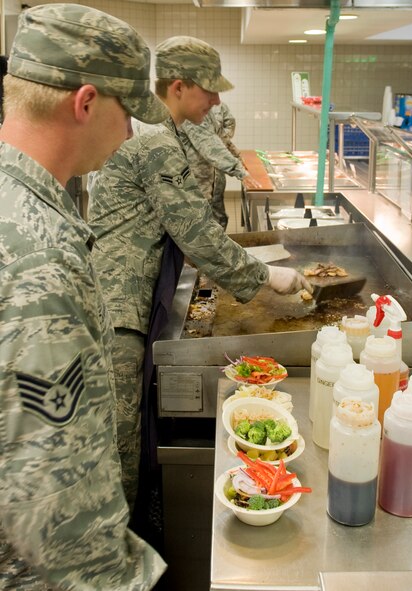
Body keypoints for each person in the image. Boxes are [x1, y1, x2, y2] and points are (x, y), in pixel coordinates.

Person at [87, 35, 311, 526]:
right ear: (179, 85)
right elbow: (196, 232)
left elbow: (195, 227)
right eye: (208, 90)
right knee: (120, 448)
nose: (215, 101)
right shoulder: (154, 141)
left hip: (130, 299)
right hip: (118, 308)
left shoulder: (162, 131)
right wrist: (267, 277)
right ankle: (123, 554)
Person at [0, 4, 169, 590]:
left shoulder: (19, 201)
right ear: (87, 102)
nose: (129, 133)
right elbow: (53, 506)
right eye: (128, 113)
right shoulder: (38, 256)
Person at [180, 101, 260, 229]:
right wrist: (240, 172)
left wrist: (238, 157)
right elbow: (210, 145)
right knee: (199, 223)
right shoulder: (190, 113)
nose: (216, 99)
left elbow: (220, 137)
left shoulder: (208, 111)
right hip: (196, 180)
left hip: (213, 176)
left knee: (218, 217)